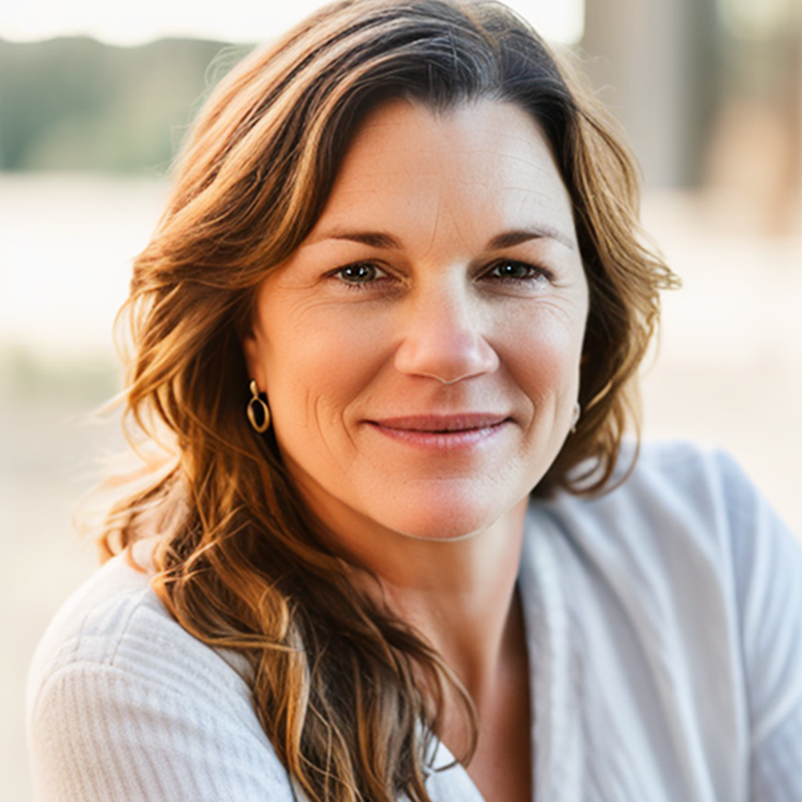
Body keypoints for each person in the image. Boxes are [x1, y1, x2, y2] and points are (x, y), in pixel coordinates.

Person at [26, 1, 802, 800]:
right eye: (361, 273)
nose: (449, 351)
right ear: (245, 330)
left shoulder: (713, 544)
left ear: (589, 321)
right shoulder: (137, 679)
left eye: (512, 270)